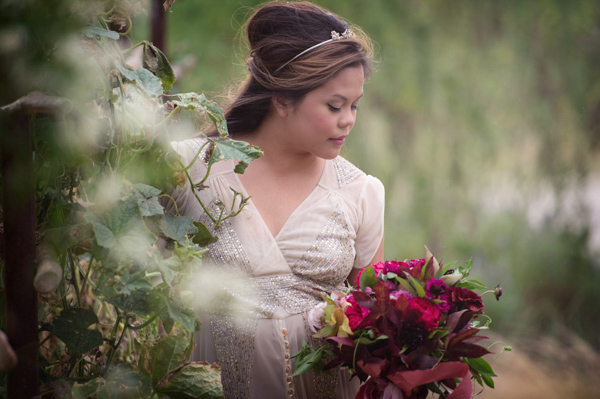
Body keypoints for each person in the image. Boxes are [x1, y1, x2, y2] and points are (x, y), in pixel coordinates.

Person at [165, 2, 384, 398]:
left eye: (354, 105)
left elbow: (378, 316)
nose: (348, 119)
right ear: (282, 99)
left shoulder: (359, 192)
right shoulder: (189, 168)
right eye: (334, 106)